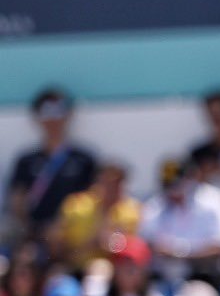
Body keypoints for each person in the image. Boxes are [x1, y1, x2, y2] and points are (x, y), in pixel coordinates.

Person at [6, 88, 97, 236]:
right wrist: (30, 231)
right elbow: (17, 201)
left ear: (68, 115)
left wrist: (64, 228)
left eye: (58, 111)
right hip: (34, 235)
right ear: (37, 118)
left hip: (73, 236)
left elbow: (94, 200)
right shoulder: (26, 161)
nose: (53, 119)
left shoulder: (84, 159)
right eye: (46, 112)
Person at [138, 159, 220, 279]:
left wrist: (181, 254)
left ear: (192, 178)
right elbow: (146, 242)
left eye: (178, 184)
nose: (173, 192)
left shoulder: (216, 200)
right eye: (169, 186)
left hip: (205, 274)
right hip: (162, 275)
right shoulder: (155, 205)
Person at [49, 161, 142, 268]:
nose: (112, 189)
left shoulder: (133, 211)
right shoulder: (76, 207)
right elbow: (57, 249)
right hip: (76, 269)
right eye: (108, 184)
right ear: (98, 182)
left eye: (118, 184)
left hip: (120, 275)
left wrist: (116, 245)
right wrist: (91, 244)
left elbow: (138, 252)